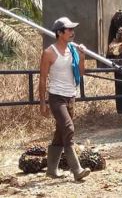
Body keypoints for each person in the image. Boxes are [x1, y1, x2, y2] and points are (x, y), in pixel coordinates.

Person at [39, 17, 91, 181]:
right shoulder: (49, 53)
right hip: (56, 97)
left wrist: (82, 57)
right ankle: (77, 170)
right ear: (59, 33)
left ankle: (51, 170)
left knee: (60, 132)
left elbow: (81, 73)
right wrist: (42, 103)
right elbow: (42, 80)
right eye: (68, 30)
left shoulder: (73, 50)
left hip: (71, 96)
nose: (72, 32)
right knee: (68, 128)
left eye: (72, 29)